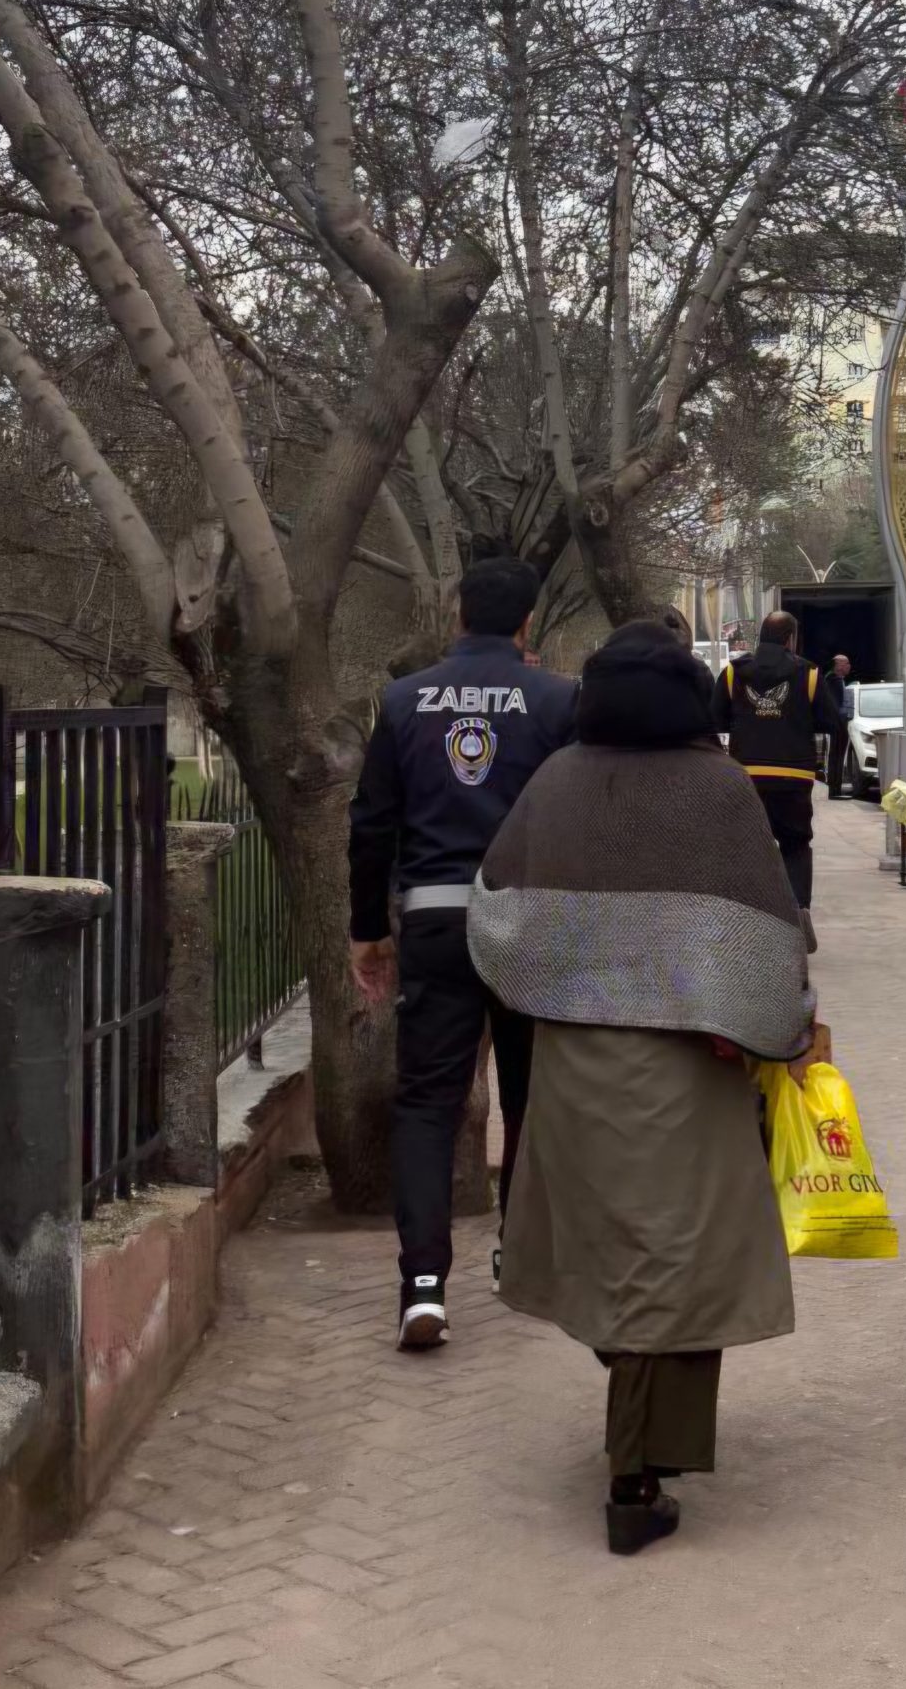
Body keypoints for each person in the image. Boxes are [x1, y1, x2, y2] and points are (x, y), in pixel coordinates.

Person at [467, 622, 816, 1555]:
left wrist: (565, 974)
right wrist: (781, 1017)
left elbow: (496, 905)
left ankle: (639, 1429)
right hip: (693, 1067)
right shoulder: (718, 787)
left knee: (616, 1250)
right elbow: (768, 928)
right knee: (676, 1257)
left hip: (576, 1061)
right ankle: (634, 1473)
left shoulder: (555, 782)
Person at [347, 557, 578, 1350]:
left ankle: (423, 1286)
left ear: (456, 619)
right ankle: (519, 1255)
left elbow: (372, 823)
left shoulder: (404, 700)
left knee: (428, 1102)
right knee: (529, 1095)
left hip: (438, 921)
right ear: (527, 626)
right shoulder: (557, 699)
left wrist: (366, 930)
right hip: (531, 922)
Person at [709, 612, 833, 909]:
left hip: (747, 777)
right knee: (795, 845)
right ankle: (798, 917)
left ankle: (749, 916)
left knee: (747, 847)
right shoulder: (810, 674)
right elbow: (831, 722)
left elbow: (713, 720)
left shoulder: (733, 673)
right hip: (794, 777)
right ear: (790, 639)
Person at [822, 652, 854, 799]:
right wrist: (841, 721)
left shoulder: (838, 680)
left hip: (839, 723)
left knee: (838, 756)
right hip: (837, 724)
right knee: (836, 756)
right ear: (839, 666)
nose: (849, 666)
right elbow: (834, 705)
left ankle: (836, 789)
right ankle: (834, 790)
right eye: (846, 663)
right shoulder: (831, 680)